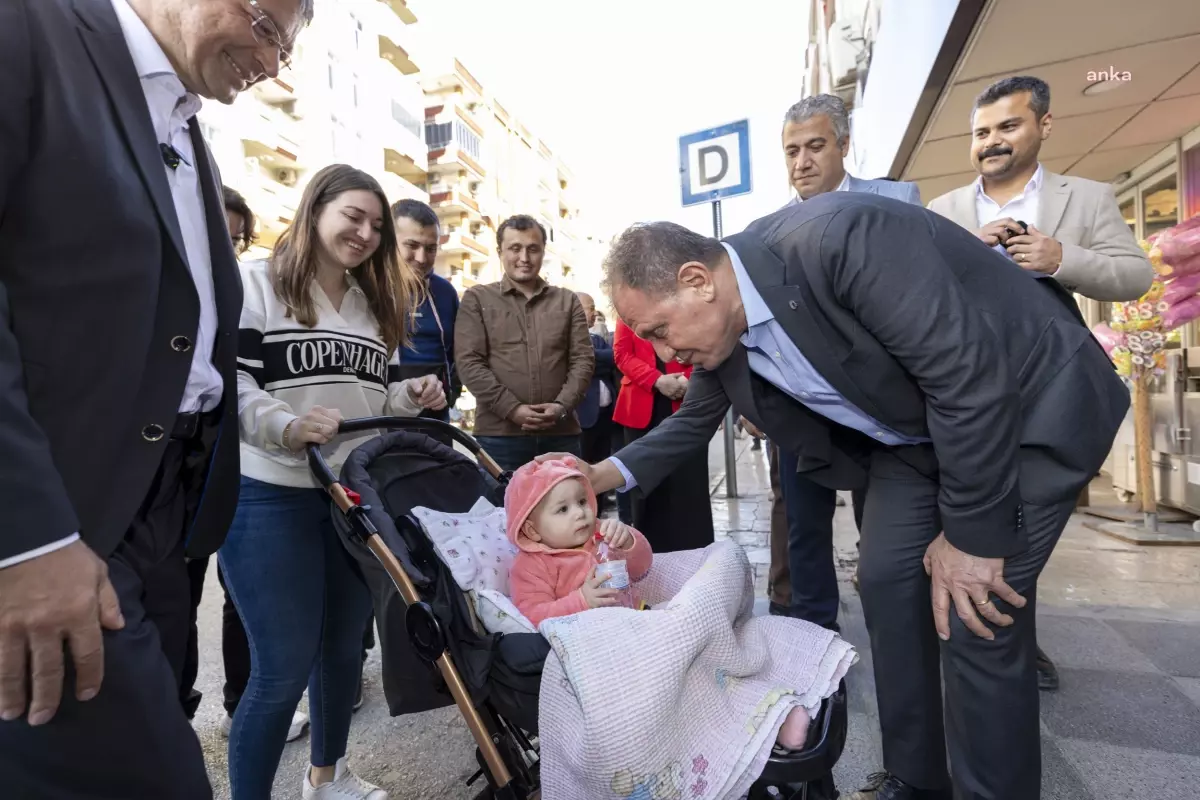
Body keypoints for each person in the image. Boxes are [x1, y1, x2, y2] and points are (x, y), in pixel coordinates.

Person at [542, 197, 1129, 800]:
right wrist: (589, 477)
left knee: (973, 608)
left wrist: (973, 538)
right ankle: (916, 780)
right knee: (885, 580)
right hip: (922, 439)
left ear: (697, 281)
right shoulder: (727, 335)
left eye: (660, 331)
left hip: (1030, 404)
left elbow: (966, 375)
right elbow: (689, 427)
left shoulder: (837, 241)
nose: (665, 354)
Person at [0, 0, 312, 797]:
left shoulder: (182, 122)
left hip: (164, 519)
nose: (274, 62)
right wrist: (24, 540)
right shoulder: (28, 32)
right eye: (271, 28)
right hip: (65, 518)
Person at [220, 164, 445, 800]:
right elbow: (232, 386)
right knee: (281, 667)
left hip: (349, 496)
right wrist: (286, 427)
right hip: (270, 492)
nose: (366, 232)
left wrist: (408, 393)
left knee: (345, 648)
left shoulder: (374, 306)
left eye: (376, 224)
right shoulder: (255, 281)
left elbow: (367, 399)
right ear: (315, 207)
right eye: (353, 215)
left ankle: (328, 778)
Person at [927, 75, 1153, 692]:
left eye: (1008, 126)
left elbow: (1135, 276)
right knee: (974, 524)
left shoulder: (1087, 197)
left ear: (1043, 126)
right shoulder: (941, 213)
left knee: (1021, 533)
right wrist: (967, 252)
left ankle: (1005, 646)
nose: (992, 142)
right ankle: (1002, 646)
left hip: (1052, 397)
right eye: (981, 133)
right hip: (965, 396)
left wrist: (1061, 259)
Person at [504, 457, 813, 750]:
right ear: (532, 529)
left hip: (641, 621)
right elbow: (533, 616)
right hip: (602, 649)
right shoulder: (531, 567)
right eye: (563, 509)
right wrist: (580, 600)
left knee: (705, 649)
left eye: (582, 501)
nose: (580, 513)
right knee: (692, 678)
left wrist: (628, 541)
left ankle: (776, 707)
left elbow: (642, 567)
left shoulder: (599, 536)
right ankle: (766, 718)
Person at [764, 93, 924, 630]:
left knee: (879, 525)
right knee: (803, 522)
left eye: (815, 146)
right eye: (791, 151)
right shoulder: (767, 231)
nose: (802, 162)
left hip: (883, 405)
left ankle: (895, 619)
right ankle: (814, 631)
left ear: (844, 145)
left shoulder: (895, 200)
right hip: (803, 405)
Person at [177, 186, 312, 740]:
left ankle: (240, 698)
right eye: (220, 236)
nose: (229, 248)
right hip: (178, 459)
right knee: (177, 593)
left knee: (239, 598)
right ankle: (175, 710)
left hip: (237, 463)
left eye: (236, 239)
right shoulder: (180, 288)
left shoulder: (242, 292)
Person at [455, 215, 594, 472]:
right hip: (500, 437)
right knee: (502, 511)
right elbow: (468, 362)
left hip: (560, 434)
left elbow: (582, 360)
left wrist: (562, 407)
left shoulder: (567, 301)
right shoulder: (477, 299)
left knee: (565, 508)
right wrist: (512, 409)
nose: (524, 258)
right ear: (500, 252)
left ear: (543, 251)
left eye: (533, 249)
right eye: (515, 248)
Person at [612, 319, 715, 552]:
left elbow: (703, 344)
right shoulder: (627, 309)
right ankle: (648, 556)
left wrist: (694, 383)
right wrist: (656, 380)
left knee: (691, 487)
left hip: (687, 400)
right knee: (645, 491)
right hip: (641, 407)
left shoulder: (686, 302)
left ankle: (696, 554)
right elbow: (622, 354)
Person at [393, 198, 461, 427]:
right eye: (411, 246)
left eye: (430, 248)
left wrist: (451, 394)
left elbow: (458, 354)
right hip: (382, 418)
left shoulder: (445, 292)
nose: (422, 258)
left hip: (436, 418)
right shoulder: (367, 288)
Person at [576, 293, 616, 510]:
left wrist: (594, 359)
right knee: (583, 470)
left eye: (592, 308)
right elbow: (585, 361)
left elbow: (614, 359)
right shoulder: (566, 338)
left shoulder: (597, 339)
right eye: (588, 308)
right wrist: (595, 360)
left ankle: (598, 514)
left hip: (605, 416)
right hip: (583, 417)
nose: (592, 312)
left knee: (601, 469)